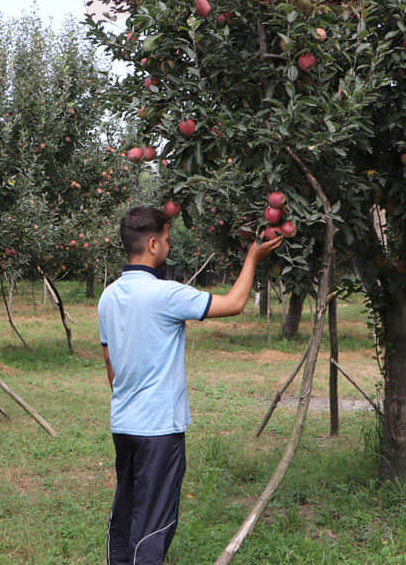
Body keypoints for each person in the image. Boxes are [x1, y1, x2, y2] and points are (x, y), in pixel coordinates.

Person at [98, 205, 283, 565]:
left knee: (128, 511)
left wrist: (129, 401)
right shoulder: (165, 294)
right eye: (166, 240)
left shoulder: (109, 296)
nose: (168, 246)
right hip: (159, 430)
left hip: (124, 423)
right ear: (152, 244)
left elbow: (110, 364)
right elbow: (234, 303)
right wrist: (252, 256)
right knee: (154, 523)